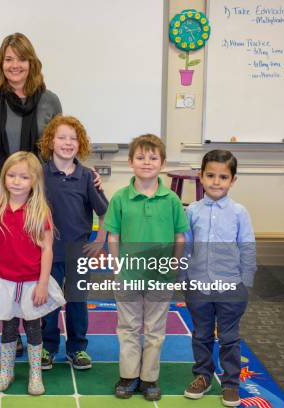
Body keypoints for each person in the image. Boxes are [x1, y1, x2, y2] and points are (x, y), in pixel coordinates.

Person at [103, 135, 188, 401]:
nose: (147, 162)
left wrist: (173, 266)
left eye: (153, 158)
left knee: (155, 330)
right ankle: (128, 376)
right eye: (140, 157)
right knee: (127, 327)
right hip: (128, 275)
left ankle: (149, 378)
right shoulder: (119, 198)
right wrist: (117, 268)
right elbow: (113, 237)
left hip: (160, 277)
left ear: (162, 163)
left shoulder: (172, 199)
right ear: (130, 162)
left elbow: (179, 236)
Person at [0, 151, 66, 396]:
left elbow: (48, 249)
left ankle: (35, 374)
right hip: (5, 281)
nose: (16, 181)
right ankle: (6, 372)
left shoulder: (39, 211)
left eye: (23, 177)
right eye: (11, 175)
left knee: (33, 329)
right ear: (4, 177)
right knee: (8, 328)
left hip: (31, 282)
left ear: (34, 182)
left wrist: (43, 284)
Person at [182, 150, 256, 407]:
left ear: (232, 180)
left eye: (223, 177)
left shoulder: (239, 212)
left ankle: (231, 383)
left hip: (230, 287)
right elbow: (186, 246)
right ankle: (202, 376)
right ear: (200, 177)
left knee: (229, 337)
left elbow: (247, 246)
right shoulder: (192, 211)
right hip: (198, 285)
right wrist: (184, 279)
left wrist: (245, 283)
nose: (216, 182)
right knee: (201, 334)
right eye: (210, 175)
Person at [37, 115, 108, 371]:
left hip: (78, 251)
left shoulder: (88, 176)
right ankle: (48, 347)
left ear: (81, 144)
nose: (67, 143)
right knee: (48, 302)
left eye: (73, 139)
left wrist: (99, 241)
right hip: (48, 252)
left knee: (77, 301)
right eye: (62, 137)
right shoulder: (39, 174)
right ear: (51, 142)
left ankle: (77, 348)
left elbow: (104, 212)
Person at [0, 32, 62, 176]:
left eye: (22, 59)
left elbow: (62, 146)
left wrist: (84, 172)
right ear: (1, 64)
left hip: (40, 185)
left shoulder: (50, 101)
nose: (15, 65)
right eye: (9, 59)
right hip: (0, 185)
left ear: (31, 63)